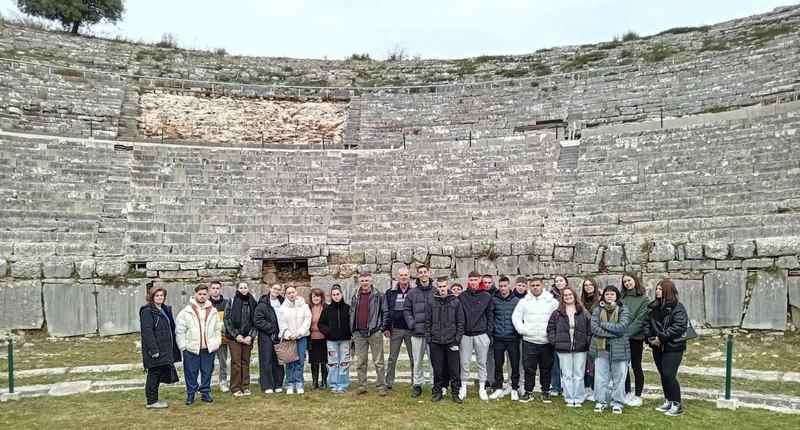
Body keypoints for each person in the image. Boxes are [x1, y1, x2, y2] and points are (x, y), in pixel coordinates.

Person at [645, 279, 688, 417]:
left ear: (668, 291)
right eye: (657, 289)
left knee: (669, 374)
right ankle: (668, 400)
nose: (657, 291)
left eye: (660, 289)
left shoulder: (678, 307)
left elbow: (679, 326)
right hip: (657, 347)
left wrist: (661, 338)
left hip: (673, 347)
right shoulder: (654, 307)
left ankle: (677, 404)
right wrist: (651, 339)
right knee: (663, 374)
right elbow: (647, 324)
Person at [512, 277, 559, 403]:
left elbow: (557, 318)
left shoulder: (552, 302)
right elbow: (516, 317)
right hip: (529, 340)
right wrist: (522, 330)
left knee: (546, 368)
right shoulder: (524, 302)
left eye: (537, 285)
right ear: (529, 287)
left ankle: (545, 392)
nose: (535, 287)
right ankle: (528, 392)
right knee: (529, 368)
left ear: (542, 286)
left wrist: (552, 334)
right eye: (532, 285)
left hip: (546, 341)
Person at [175, 285, 222, 405]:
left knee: (207, 371)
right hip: (191, 348)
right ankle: (191, 394)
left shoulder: (213, 310)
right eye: (200, 294)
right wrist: (183, 347)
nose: (202, 296)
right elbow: (180, 331)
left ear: (207, 295)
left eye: (204, 294)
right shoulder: (186, 311)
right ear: (195, 294)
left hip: (208, 348)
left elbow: (218, 328)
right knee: (191, 372)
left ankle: (205, 392)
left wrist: (217, 342)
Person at [547, 286, 591, 407]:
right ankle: (569, 397)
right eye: (565, 295)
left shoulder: (583, 311)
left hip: (580, 347)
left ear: (574, 296)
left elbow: (589, 329)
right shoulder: (557, 313)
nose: (568, 297)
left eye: (570, 295)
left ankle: (578, 398)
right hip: (563, 348)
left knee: (578, 374)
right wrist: (554, 341)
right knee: (566, 374)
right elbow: (551, 328)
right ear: (562, 297)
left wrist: (587, 341)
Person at [590, 285, 631, 414]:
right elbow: (594, 328)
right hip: (601, 348)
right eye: (607, 294)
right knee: (601, 377)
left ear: (617, 296)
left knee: (619, 377)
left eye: (612, 294)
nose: (609, 296)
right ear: (603, 296)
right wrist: (613, 331)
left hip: (619, 349)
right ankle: (601, 401)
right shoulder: (597, 310)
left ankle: (617, 402)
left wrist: (603, 325)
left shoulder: (623, 310)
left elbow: (622, 327)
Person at [139, 286, 181, 409]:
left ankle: (153, 400)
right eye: (157, 295)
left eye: (161, 295)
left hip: (165, 348)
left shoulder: (164, 309)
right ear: (151, 297)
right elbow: (147, 332)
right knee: (154, 373)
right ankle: (152, 401)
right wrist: (154, 350)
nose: (160, 298)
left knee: (158, 373)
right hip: (155, 349)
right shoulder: (147, 310)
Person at [457, 271, 494, 401]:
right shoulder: (462, 296)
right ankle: (463, 387)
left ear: (480, 281)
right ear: (468, 281)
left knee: (482, 363)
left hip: (482, 334)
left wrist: (488, 334)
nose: (473, 282)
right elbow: (460, 316)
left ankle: (482, 388)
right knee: (464, 362)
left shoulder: (486, 296)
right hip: (466, 335)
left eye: (475, 280)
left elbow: (490, 316)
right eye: (471, 280)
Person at [427, 277, 465, 404]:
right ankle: (437, 392)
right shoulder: (432, 301)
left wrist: (457, 340)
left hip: (451, 341)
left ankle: (455, 393)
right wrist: (429, 338)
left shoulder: (455, 302)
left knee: (454, 370)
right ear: (437, 287)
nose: (442, 289)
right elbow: (428, 321)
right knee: (437, 369)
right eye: (440, 286)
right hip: (436, 342)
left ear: (447, 286)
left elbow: (461, 322)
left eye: (444, 286)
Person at [350, 271, 388, 396]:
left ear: (371, 281)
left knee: (378, 361)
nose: (364, 283)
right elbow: (352, 312)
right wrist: (353, 329)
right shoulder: (355, 295)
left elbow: (385, 312)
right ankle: (362, 385)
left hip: (374, 332)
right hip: (359, 333)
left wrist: (381, 328)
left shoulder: (379, 295)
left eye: (367, 280)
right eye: (362, 280)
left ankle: (381, 386)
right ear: (359, 282)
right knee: (361, 361)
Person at [404, 264, 436, 397]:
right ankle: (417, 385)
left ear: (429, 273)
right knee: (417, 361)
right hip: (416, 333)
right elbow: (406, 310)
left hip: (432, 333)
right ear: (418, 275)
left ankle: (435, 384)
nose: (423, 274)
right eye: (420, 272)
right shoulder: (412, 293)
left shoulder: (435, 291)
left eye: (425, 272)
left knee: (433, 361)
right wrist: (412, 324)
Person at [489, 276, 521, 401]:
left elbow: (520, 318)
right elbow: (491, 317)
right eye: (501, 286)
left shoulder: (516, 301)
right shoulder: (494, 300)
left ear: (509, 286)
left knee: (514, 364)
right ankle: (498, 387)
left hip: (512, 338)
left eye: (505, 286)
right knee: (498, 364)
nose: (503, 288)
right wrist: (493, 332)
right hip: (498, 338)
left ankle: (514, 388)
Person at [224, 282, 258, 397]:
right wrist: (236, 335)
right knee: (236, 363)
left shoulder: (252, 302)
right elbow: (227, 320)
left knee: (245, 362)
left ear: (248, 289)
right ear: (237, 289)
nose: (243, 289)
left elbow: (256, 321)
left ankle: (245, 386)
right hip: (235, 338)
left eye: (245, 287)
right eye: (241, 287)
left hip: (248, 337)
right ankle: (235, 387)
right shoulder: (232, 301)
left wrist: (250, 336)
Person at [383, 266, 414, 392]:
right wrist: (386, 327)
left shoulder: (414, 291)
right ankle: (389, 382)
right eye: (401, 275)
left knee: (414, 357)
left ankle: (415, 382)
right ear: (398, 277)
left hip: (411, 330)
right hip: (395, 329)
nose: (404, 277)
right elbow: (386, 311)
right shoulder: (390, 292)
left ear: (409, 276)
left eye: (406, 275)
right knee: (392, 358)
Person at [318, 284, 352, 394]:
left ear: (341, 295)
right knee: (333, 364)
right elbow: (320, 324)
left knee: (344, 363)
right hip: (331, 341)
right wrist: (328, 332)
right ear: (331, 296)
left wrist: (350, 332)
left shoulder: (347, 308)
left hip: (345, 340)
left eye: (338, 294)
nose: (336, 296)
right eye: (334, 295)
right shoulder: (327, 309)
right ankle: (333, 385)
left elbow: (352, 322)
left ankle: (342, 385)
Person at [278, 285, 312, 394]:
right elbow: (282, 323)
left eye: (293, 292)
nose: (291, 294)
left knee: (300, 361)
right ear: (285, 295)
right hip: (289, 338)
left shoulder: (304, 306)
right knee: (289, 361)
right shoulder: (282, 308)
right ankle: (290, 384)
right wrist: (289, 334)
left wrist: (299, 333)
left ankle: (299, 383)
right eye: (289, 293)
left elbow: (307, 320)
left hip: (301, 337)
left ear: (296, 293)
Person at [622, 272, 649, 407]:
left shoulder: (644, 299)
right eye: (625, 281)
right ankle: (626, 392)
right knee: (623, 366)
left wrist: (627, 333)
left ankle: (638, 395)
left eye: (629, 280)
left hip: (635, 338)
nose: (627, 283)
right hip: (621, 337)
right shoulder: (622, 298)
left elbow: (640, 319)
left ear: (635, 281)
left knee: (636, 366)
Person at [254, 285, 284, 394]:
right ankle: (267, 385)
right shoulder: (262, 304)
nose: (276, 291)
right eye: (274, 288)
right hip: (266, 336)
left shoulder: (283, 302)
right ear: (270, 289)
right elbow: (257, 320)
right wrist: (271, 328)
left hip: (280, 335)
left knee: (278, 360)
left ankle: (278, 384)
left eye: (278, 289)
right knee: (266, 360)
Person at [581, 277, 601, 401]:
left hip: (595, 335)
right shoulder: (581, 301)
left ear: (594, 286)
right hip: (583, 335)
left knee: (594, 364)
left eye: (590, 285)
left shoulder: (599, 301)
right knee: (583, 363)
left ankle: (595, 389)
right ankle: (586, 388)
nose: (588, 287)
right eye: (585, 285)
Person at [549, 274, 569, 396]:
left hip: (569, 332)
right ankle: (556, 386)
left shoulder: (570, 295)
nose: (559, 283)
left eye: (561, 280)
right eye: (557, 281)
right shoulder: (550, 297)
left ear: (566, 282)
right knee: (555, 361)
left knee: (568, 363)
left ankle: (568, 387)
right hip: (556, 331)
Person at [208, 282, 230, 393]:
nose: (215, 290)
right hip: (209, 339)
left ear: (220, 290)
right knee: (207, 363)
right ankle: (205, 383)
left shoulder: (226, 303)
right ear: (210, 290)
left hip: (222, 338)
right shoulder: (206, 304)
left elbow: (229, 319)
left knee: (223, 362)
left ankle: (223, 381)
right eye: (213, 288)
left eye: (217, 288)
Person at [308, 288, 328, 390]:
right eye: (314, 296)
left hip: (324, 338)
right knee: (314, 361)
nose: (316, 298)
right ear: (311, 298)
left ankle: (324, 382)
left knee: (324, 361)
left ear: (321, 297)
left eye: (318, 296)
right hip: (312, 339)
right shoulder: (308, 308)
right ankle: (314, 382)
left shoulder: (326, 307)